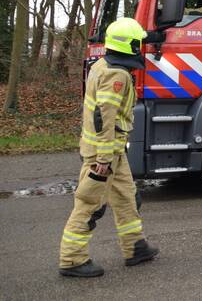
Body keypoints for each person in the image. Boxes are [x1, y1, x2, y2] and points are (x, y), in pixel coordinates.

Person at [59, 17, 159, 278]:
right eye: (138, 43)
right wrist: (103, 157)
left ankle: (135, 247)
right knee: (90, 204)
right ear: (130, 46)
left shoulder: (102, 65)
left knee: (126, 198)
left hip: (113, 150)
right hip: (103, 153)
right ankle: (72, 259)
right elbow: (104, 117)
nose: (141, 47)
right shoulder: (117, 74)